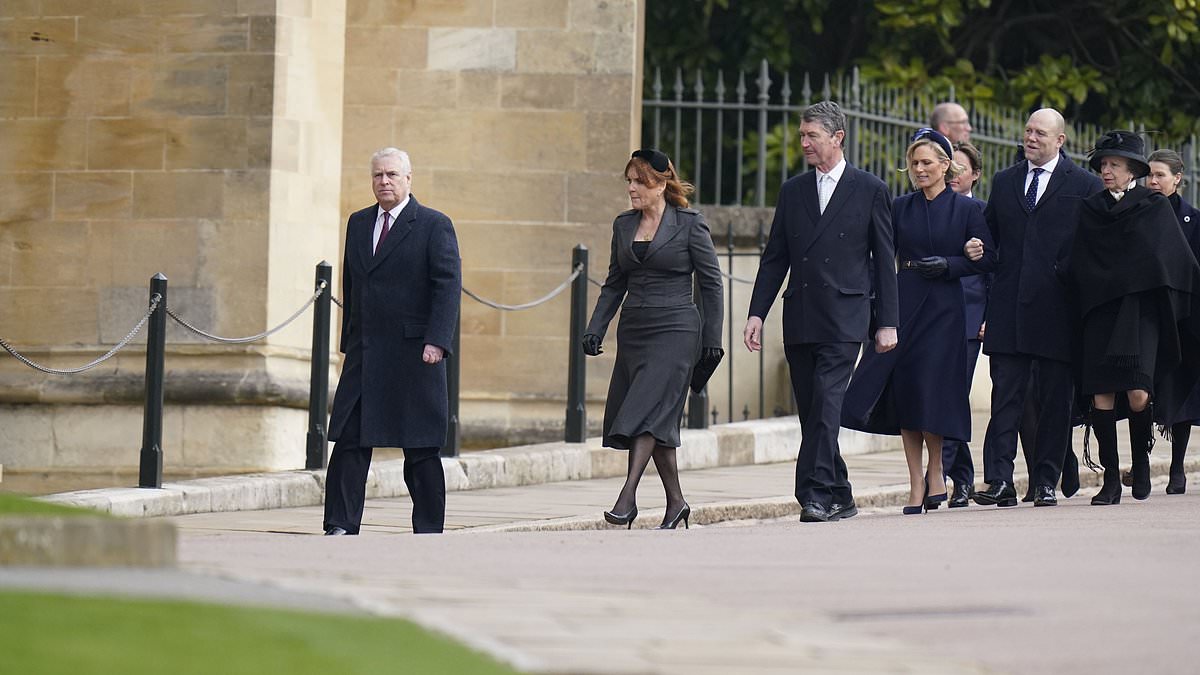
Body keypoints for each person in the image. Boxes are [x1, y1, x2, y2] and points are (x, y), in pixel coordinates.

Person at [745, 101, 899, 524]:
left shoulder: (870, 188)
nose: (804, 143)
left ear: (837, 137)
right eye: (802, 135)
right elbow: (775, 257)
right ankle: (842, 493)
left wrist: (887, 322)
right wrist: (757, 312)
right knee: (813, 411)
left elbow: (885, 261)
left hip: (846, 318)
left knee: (828, 406)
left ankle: (811, 493)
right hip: (801, 316)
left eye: (812, 135)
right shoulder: (793, 190)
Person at [842, 129, 995, 514]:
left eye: (927, 162)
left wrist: (952, 265)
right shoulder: (900, 206)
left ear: (946, 166)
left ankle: (937, 470)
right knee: (906, 393)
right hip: (905, 301)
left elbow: (990, 259)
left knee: (933, 392)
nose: (919, 169)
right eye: (914, 163)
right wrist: (879, 312)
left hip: (945, 307)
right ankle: (915, 483)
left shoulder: (968, 210)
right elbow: (881, 254)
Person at [582, 149, 724, 530]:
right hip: (636, 330)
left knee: (645, 411)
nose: (631, 188)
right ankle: (676, 503)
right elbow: (615, 283)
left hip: (677, 329)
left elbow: (711, 284)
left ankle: (627, 498)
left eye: (638, 181)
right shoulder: (623, 225)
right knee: (657, 418)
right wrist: (596, 326)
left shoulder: (690, 224)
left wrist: (712, 339)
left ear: (661, 184)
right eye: (628, 180)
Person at [323, 148, 462, 535]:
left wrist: (437, 341)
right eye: (377, 175)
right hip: (366, 353)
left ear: (408, 179)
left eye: (391, 175)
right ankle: (339, 524)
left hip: (415, 355)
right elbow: (352, 284)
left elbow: (447, 287)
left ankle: (429, 528)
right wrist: (349, 341)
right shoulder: (358, 222)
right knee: (349, 441)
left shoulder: (434, 225)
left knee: (419, 449)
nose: (384, 181)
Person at [970, 108, 1102, 508]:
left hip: (1057, 312)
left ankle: (1046, 480)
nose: (1031, 138)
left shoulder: (1085, 185)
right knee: (1005, 399)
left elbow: (1095, 249)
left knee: (1054, 402)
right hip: (1009, 309)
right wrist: (978, 248)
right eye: (1027, 130)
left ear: (1059, 140)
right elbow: (990, 235)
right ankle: (1000, 480)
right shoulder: (1006, 180)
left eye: (1040, 133)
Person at [1067, 132, 1200, 505]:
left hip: (1139, 314)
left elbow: (1176, 262)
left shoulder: (1152, 207)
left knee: (1139, 393)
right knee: (1102, 395)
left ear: (1132, 172)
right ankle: (1110, 478)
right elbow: (1079, 262)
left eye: (1114, 165)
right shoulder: (1091, 209)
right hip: (1099, 312)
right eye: (1103, 165)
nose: (1106, 171)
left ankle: (1140, 463)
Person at [1146, 148, 1200, 494]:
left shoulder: (1193, 219)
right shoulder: (1135, 213)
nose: (1152, 181)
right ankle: (1139, 462)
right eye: (1148, 175)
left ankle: (1178, 465)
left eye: (1160, 175)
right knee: (1141, 390)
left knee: (1179, 389)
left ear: (1177, 179)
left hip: (1183, 318)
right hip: (1145, 315)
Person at [942, 141, 988, 508]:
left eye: (960, 168)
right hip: (932, 313)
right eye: (949, 167)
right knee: (939, 393)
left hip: (970, 315)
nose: (953, 174)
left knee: (953, 393)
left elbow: (992, 269)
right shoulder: (928, 207)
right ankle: (962, 477)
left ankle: (940, 475)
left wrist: (989, 315)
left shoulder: (983, 212)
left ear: (975, 174)